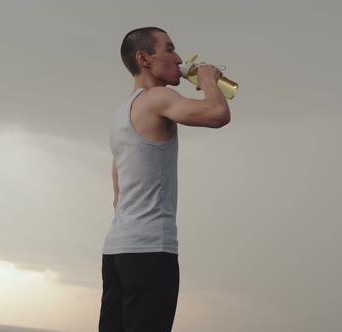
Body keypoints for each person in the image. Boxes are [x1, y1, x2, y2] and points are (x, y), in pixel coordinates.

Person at [99, 27, 231, 332]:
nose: (179, 58)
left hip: (117, 252)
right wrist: (209, 80)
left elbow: (117, 194)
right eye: (169, 49)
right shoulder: (158, 97)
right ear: (144, 58)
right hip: (150, 252)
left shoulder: (120, 114)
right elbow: (217, 113)